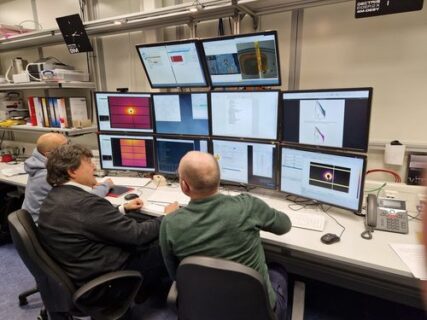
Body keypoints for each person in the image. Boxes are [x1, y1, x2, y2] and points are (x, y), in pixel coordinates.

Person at [160, 151, 292, 319]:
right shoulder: (247, 206)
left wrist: (171, 215)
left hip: (203, 309)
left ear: (184, 186)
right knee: (278, 271)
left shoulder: (170, 223)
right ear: (219, 178)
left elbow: (176, 276)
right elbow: (284, 226)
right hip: (256, 313)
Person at [38, 144, 167, 294]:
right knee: (169, 238)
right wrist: (167, 217)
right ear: (72, 171)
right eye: (88, 163)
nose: (93, 167)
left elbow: (90, 222)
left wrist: (122, 209)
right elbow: (137, 235)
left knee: (145, 224)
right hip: (108, 278)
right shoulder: (86, 203)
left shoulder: (55, 196)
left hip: (82, 269)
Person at [22, 133, 113, 222]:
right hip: (47, 228)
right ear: (49, 155)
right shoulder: (48, 174)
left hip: (49, 220)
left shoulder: (38, 164)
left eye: (69, 143)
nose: (70, 149)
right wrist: (105, 186)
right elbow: (86, 201)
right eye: (64, 147)